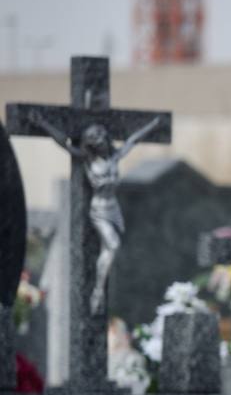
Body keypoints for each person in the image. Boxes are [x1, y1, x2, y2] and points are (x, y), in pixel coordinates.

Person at [26, 111, 164, 315]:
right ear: (91, 144)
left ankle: (102, 290)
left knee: (110, 248)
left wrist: (153, 125)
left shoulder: (115, 157)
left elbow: (133, 140)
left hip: (114, 208)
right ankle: (98, 291)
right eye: (95, 138)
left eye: (101, 135)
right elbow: (64, 144)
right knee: (113, 245)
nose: (100, 140)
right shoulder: (88, 160)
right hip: (99, 210)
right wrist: (43, 123)